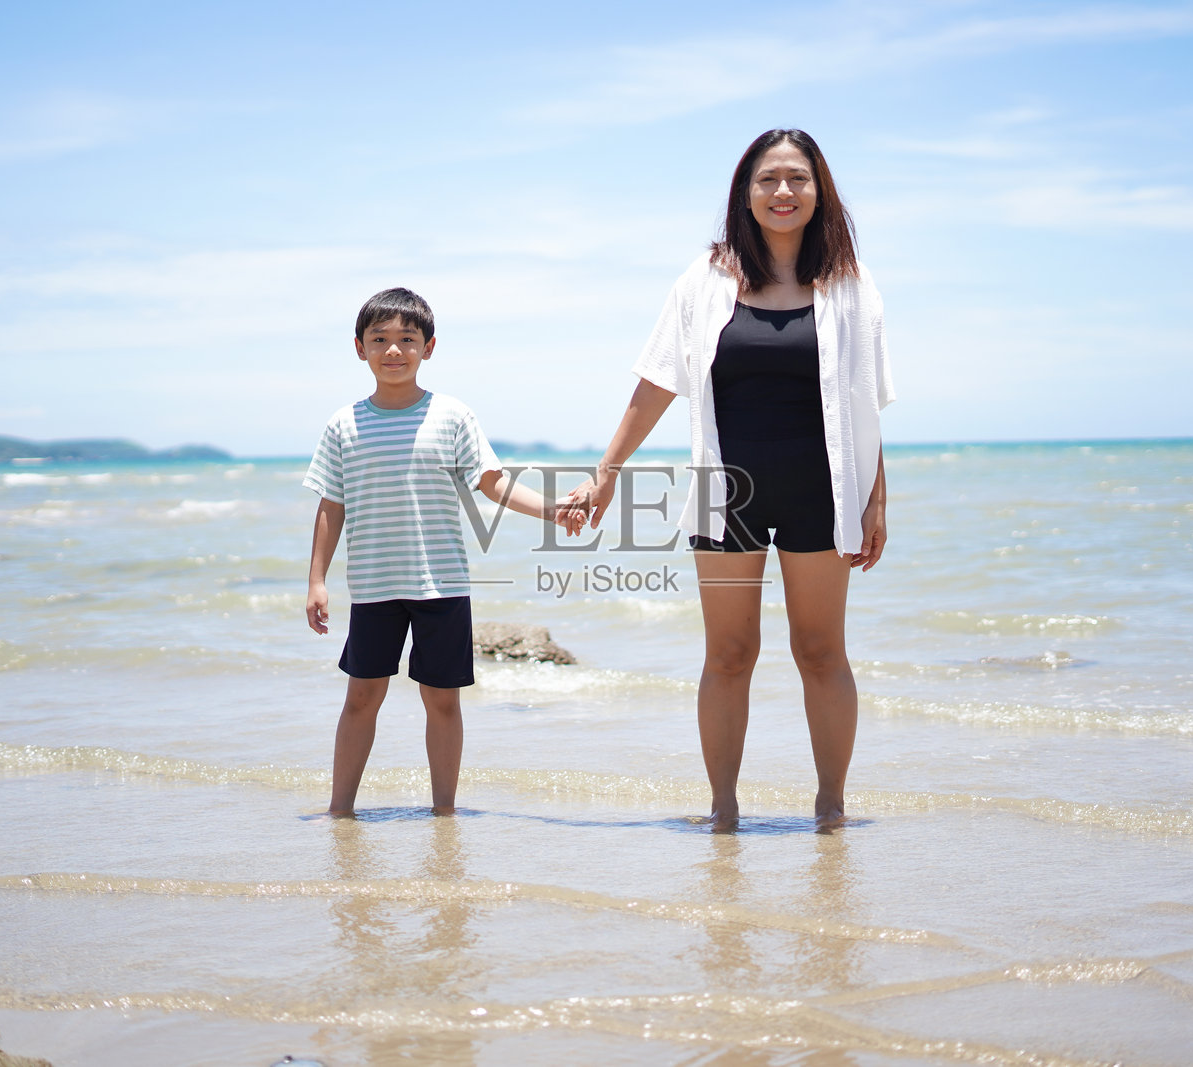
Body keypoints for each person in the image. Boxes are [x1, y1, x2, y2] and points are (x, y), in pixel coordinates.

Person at [570, 129, 895, 831]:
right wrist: (605, 474)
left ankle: (831, 805)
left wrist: (877, 497)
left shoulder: (850, 282)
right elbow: (658, 380)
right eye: (768, 180)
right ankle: (723, 808)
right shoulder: (706, 278)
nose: (783, 192)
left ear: (820, 190)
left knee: (820, 650)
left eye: (797, 179)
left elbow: (867, 401)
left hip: (822, 492)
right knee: (728, 652)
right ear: (745, 193)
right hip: (727, 496)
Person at [304, 287, 580, 816]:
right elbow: (330, 505)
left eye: (407, 339)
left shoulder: (452, 416)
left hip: (442, 584)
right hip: (374, 586)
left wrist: (552, 509)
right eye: (379, 339)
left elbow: (493, 484)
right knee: (361, 698)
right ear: (359, 347)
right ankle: (340, 811)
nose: (393, 351)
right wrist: (317, 580)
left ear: (428, 347)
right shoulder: (344, 425)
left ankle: (444, 813)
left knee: (443, 700)